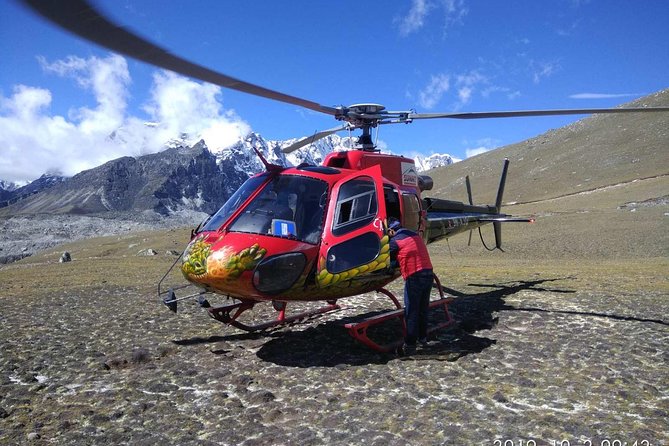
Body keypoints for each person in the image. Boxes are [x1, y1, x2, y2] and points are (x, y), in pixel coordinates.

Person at [387, 218, 434, 355]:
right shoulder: (414, 236)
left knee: (412, 311)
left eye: (388, 233)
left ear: (391, 230)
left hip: (415, 276)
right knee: (423, 309)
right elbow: (406, 253)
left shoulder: (395, 240)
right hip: (429, 273)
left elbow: (384, 254)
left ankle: (410, 344)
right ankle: (423, 338)